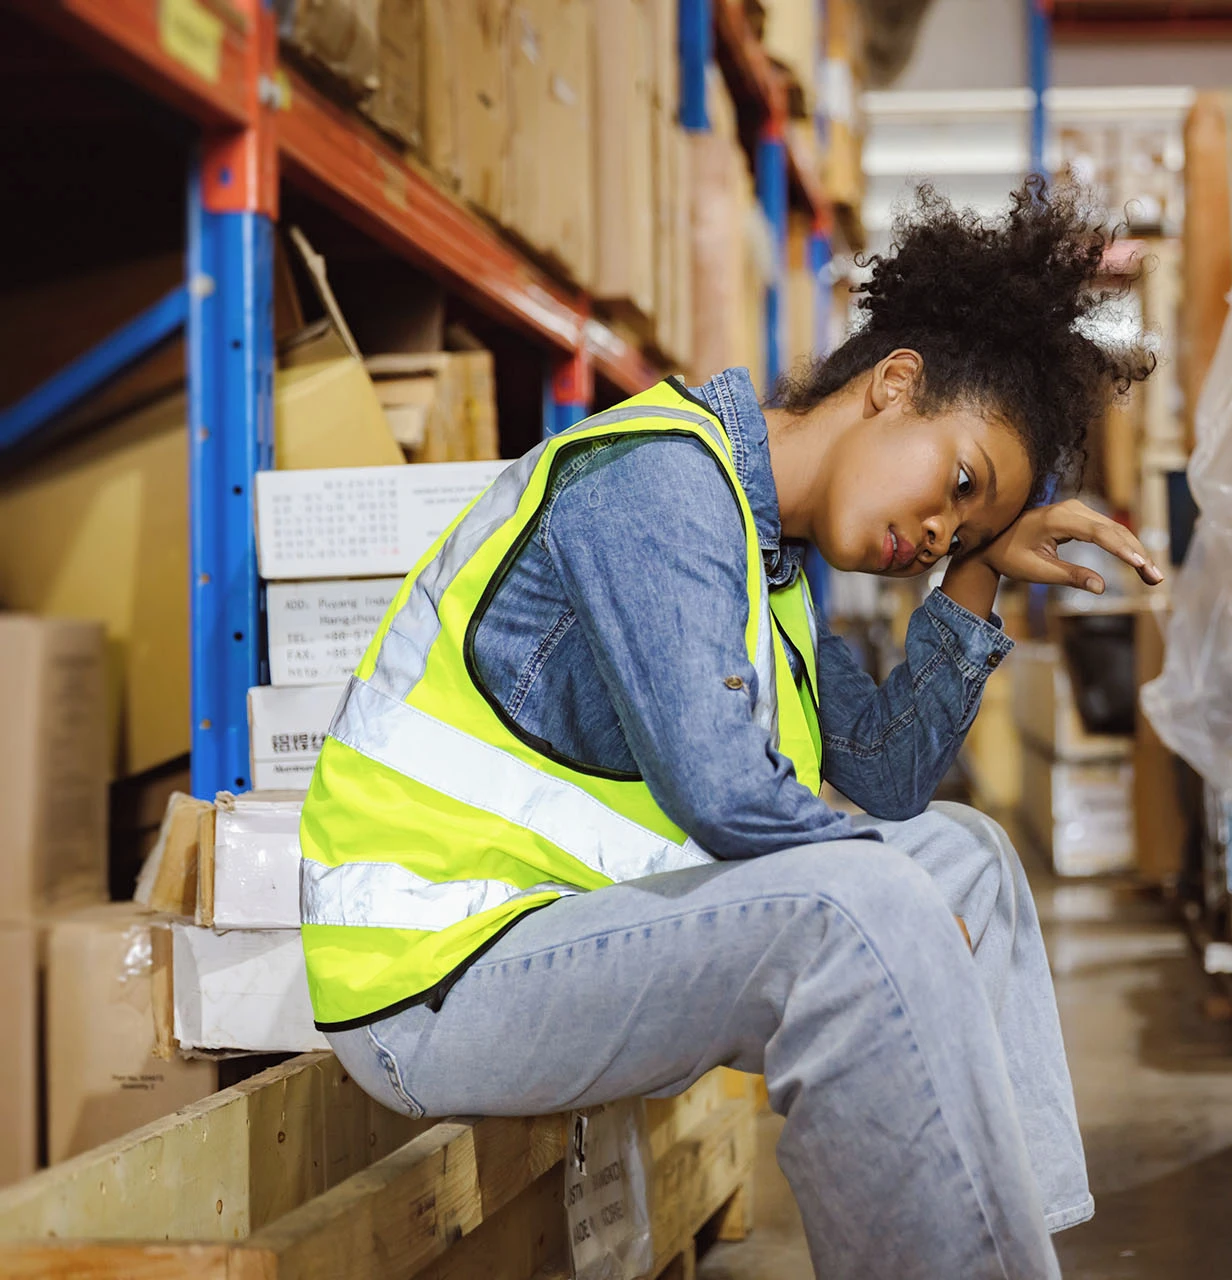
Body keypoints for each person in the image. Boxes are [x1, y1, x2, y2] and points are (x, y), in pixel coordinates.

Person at [297, 180, 1159, 1280]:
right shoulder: (659, 482)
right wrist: (894, 910)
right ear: (895, 383)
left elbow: (892, 776)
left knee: (966, 855)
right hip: (431, 980)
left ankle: (1008, 1244)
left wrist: (981, 572)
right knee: (866, 900)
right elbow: (721, 791)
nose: (939, 528)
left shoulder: (773, 569)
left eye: (964, 527)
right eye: (958, 483)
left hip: (557, 940)